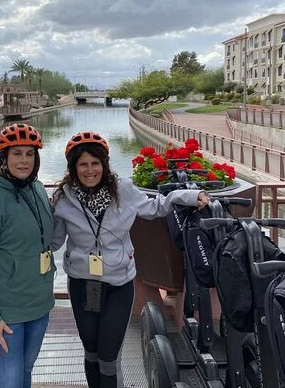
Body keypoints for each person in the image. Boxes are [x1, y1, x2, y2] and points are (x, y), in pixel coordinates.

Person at [51, 131, 210, 388]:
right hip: (82, 283)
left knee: (108, 357)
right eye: (83, 164)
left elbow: (155, 207)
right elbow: (54, 241)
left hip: (119, 282)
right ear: (73, 167)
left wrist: (190, 196)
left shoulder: (123, 189)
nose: (90, 171)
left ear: (104, 164)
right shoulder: (63, 198)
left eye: (95, 163)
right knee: (91, 351)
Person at [0, 123, 55, 388]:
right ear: (4, 157)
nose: (24, 160)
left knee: (24, 374)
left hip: (38, 306)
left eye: (29, 154)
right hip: (5, 314)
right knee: (7, 382)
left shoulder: (37, 189)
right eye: (16, 153)